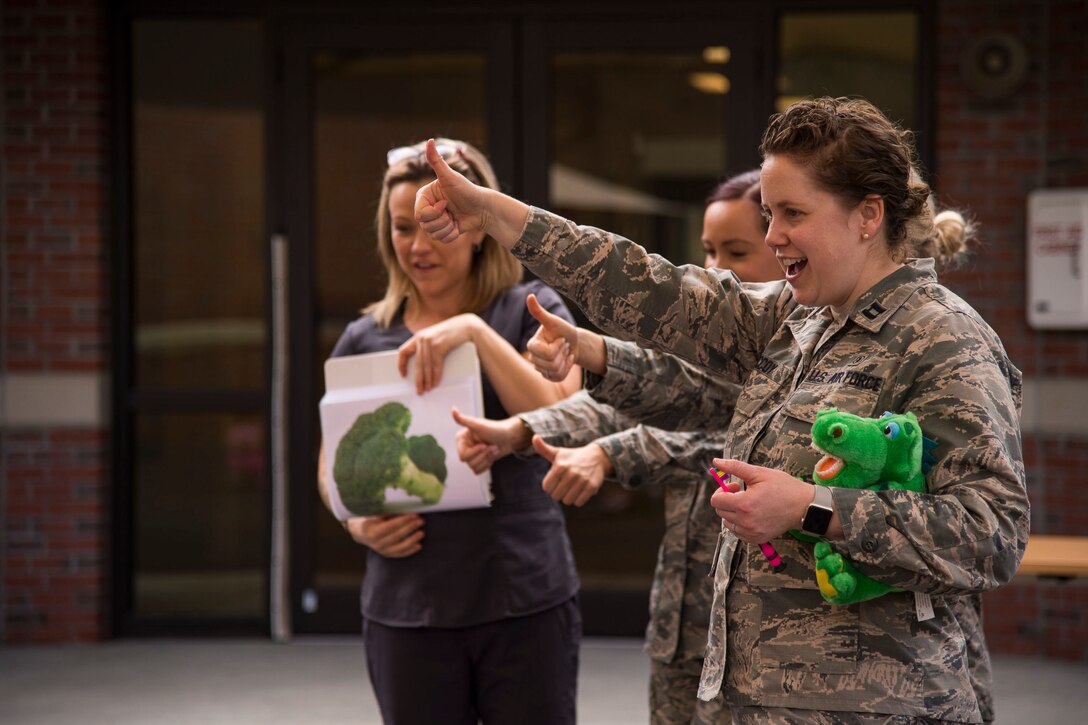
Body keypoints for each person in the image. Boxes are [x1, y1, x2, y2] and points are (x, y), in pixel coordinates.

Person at [414, 98, 1028, 723]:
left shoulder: (944, 338)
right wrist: (491, 213)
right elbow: (651, 286)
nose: (772, 236)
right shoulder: (798, 320)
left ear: (868, 215)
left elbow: (992, 534)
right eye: (769, 213)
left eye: (794, 213)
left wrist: (809, 508)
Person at [453, 170, 779, 725]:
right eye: (708, 252)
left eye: (737, 252)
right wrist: (523, 429)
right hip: (687, 629)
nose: (716, 271)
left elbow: (716, 440)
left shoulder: (805, 349)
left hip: (769, 642)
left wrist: (609, 454)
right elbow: (636, 398)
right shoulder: (715, 348)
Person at [316, 137, 583, 725]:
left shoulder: (529, 310)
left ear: (479, 225)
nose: (416, 246)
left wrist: (474, 332)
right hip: (407, 608)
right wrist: (357, 522)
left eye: (433, 225)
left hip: (520, 598)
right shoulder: (366, 336)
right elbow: (332, 464)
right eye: (400, 228)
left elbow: (564, 424)